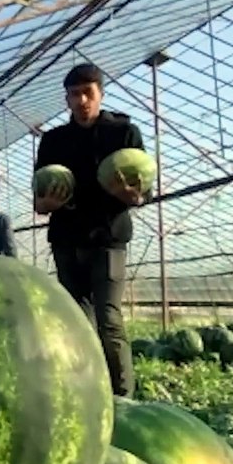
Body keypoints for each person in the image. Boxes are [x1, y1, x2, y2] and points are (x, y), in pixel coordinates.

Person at [33, 64, 147, 397]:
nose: (82, 100)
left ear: (100, 93)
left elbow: (143, 191)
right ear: (66, 99)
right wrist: (47, 205)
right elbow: (39, 203)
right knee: (78, 321)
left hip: (109, 237)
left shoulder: (124, 133)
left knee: (108, 318)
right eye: (74, 94)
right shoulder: (54, 141)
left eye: (88, 93)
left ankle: (122, 397)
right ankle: (87, 391)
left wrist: (133, 196)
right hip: (67, 239)